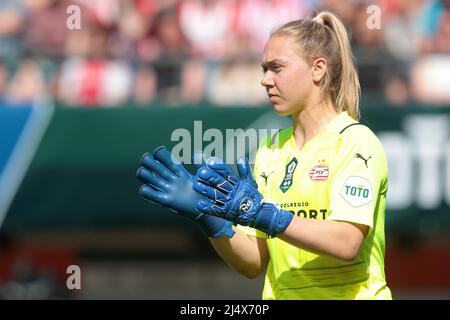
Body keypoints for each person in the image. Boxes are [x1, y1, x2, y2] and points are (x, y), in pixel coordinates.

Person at [137, 11, 391, 300]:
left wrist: (265, 215)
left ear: (318, 69)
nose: (265, 80)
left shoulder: (355, 142)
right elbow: (254, 263)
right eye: (263, 69)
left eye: (276, 68)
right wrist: (208, 218)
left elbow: (346, 243)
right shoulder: (271, 150)